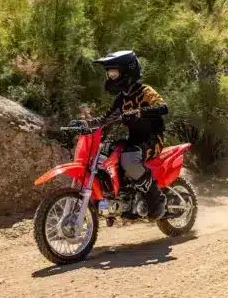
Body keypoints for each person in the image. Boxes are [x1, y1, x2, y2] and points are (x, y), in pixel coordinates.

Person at [69, 50, 169, 220]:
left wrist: (139, 112)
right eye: (109, 74)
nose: (111, 77)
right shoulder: (121, 98)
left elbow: (163, 107)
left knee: (129, 159)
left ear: (127, 71)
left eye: (114, 73)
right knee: (107, 156)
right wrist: (85, 124)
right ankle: (122, 197)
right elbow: (104, 119)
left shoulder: (145, 91)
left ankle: (156, 197)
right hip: (134, 140)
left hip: (152, 139)